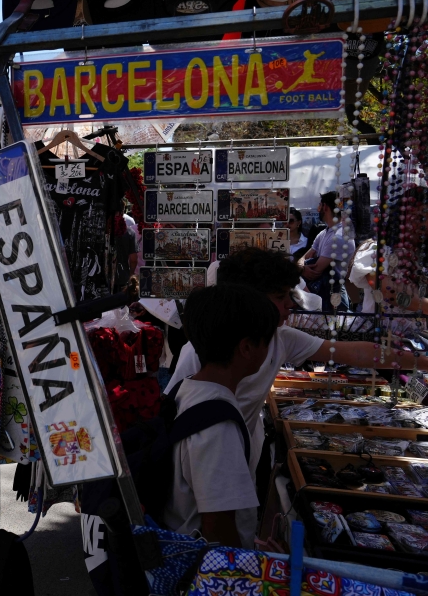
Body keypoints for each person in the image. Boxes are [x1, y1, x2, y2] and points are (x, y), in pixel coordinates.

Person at [164, 248, 421, 534]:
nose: (290, 305)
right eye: (280, 297)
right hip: (205, 491)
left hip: (236, 462)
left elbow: (356, 352)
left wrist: (421, 360)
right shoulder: (202, 363)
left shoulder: (277, 338)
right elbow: (217, 526)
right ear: (248, 301)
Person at [162, 285, 279, 548]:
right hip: (205, 570)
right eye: (268, 340)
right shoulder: (218, 423)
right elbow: (217, 527)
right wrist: (246, 565)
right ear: (247, 348)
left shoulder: (188, 388)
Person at [298, 191, 355, 310]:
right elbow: (304, 258)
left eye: (320, 205)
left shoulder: (338, 237)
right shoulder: (324, 233)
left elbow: (314, 272)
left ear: (325, 206)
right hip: (325, 294)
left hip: (332, 298)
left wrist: (301, 267)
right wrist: (301, 267)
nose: (318, 209)